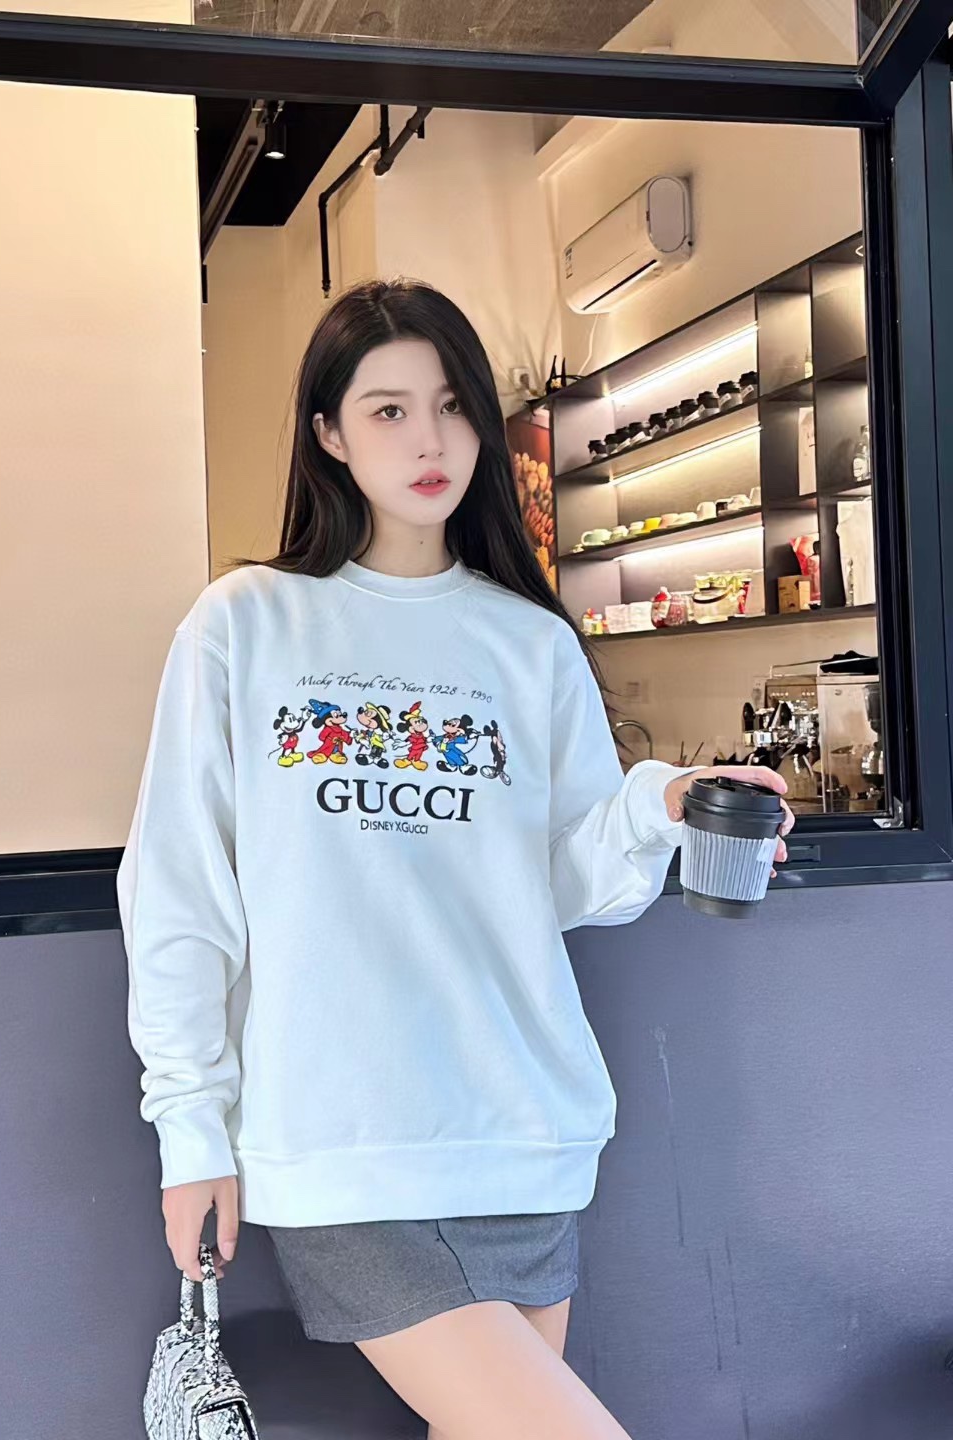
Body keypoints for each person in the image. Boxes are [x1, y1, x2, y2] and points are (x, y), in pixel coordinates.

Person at [116, 277, 794, 1440]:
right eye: (387, 410)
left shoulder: (528, 641)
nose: (428, 442)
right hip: (346, 1140)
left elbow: (567, 881)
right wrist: (190, 1130)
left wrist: (661, 805)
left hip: (523, 1126)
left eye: (451, 407)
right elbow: (179, 890)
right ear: (329, 434)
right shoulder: (246, 624)